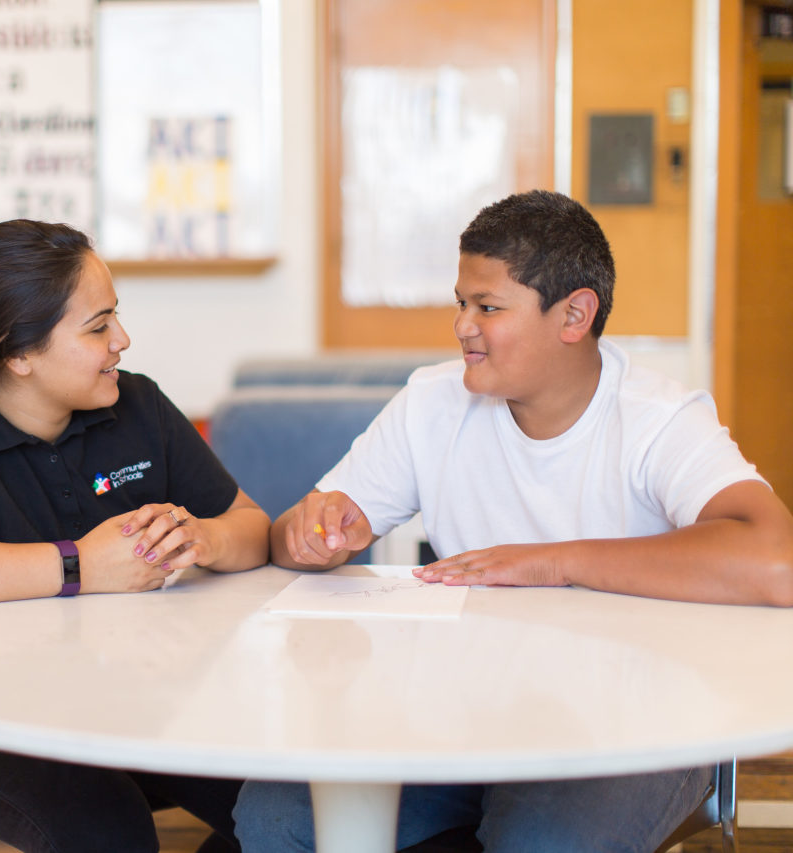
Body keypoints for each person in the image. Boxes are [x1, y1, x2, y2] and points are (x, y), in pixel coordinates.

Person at [234, 189, 793, 852]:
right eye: (461, 302)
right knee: (274, 816)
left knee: (540, 841)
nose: (463, 325)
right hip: (462, 708)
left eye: (489, 307)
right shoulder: (431, 403)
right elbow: (295, 535)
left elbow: (776, 561)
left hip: (636, 720)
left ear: (574, 314)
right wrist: (308, 534)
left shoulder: (657, 418)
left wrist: (554, 560)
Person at [0, 219, 270, 853]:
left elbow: (253, 528)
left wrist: (200, 537)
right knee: (104, 830)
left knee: (284, 807)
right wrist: (81, 567)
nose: (122, 341)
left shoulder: (138, 406)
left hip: (123, 682)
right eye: (97, 328)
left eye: (115, 318)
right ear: (16, 352)